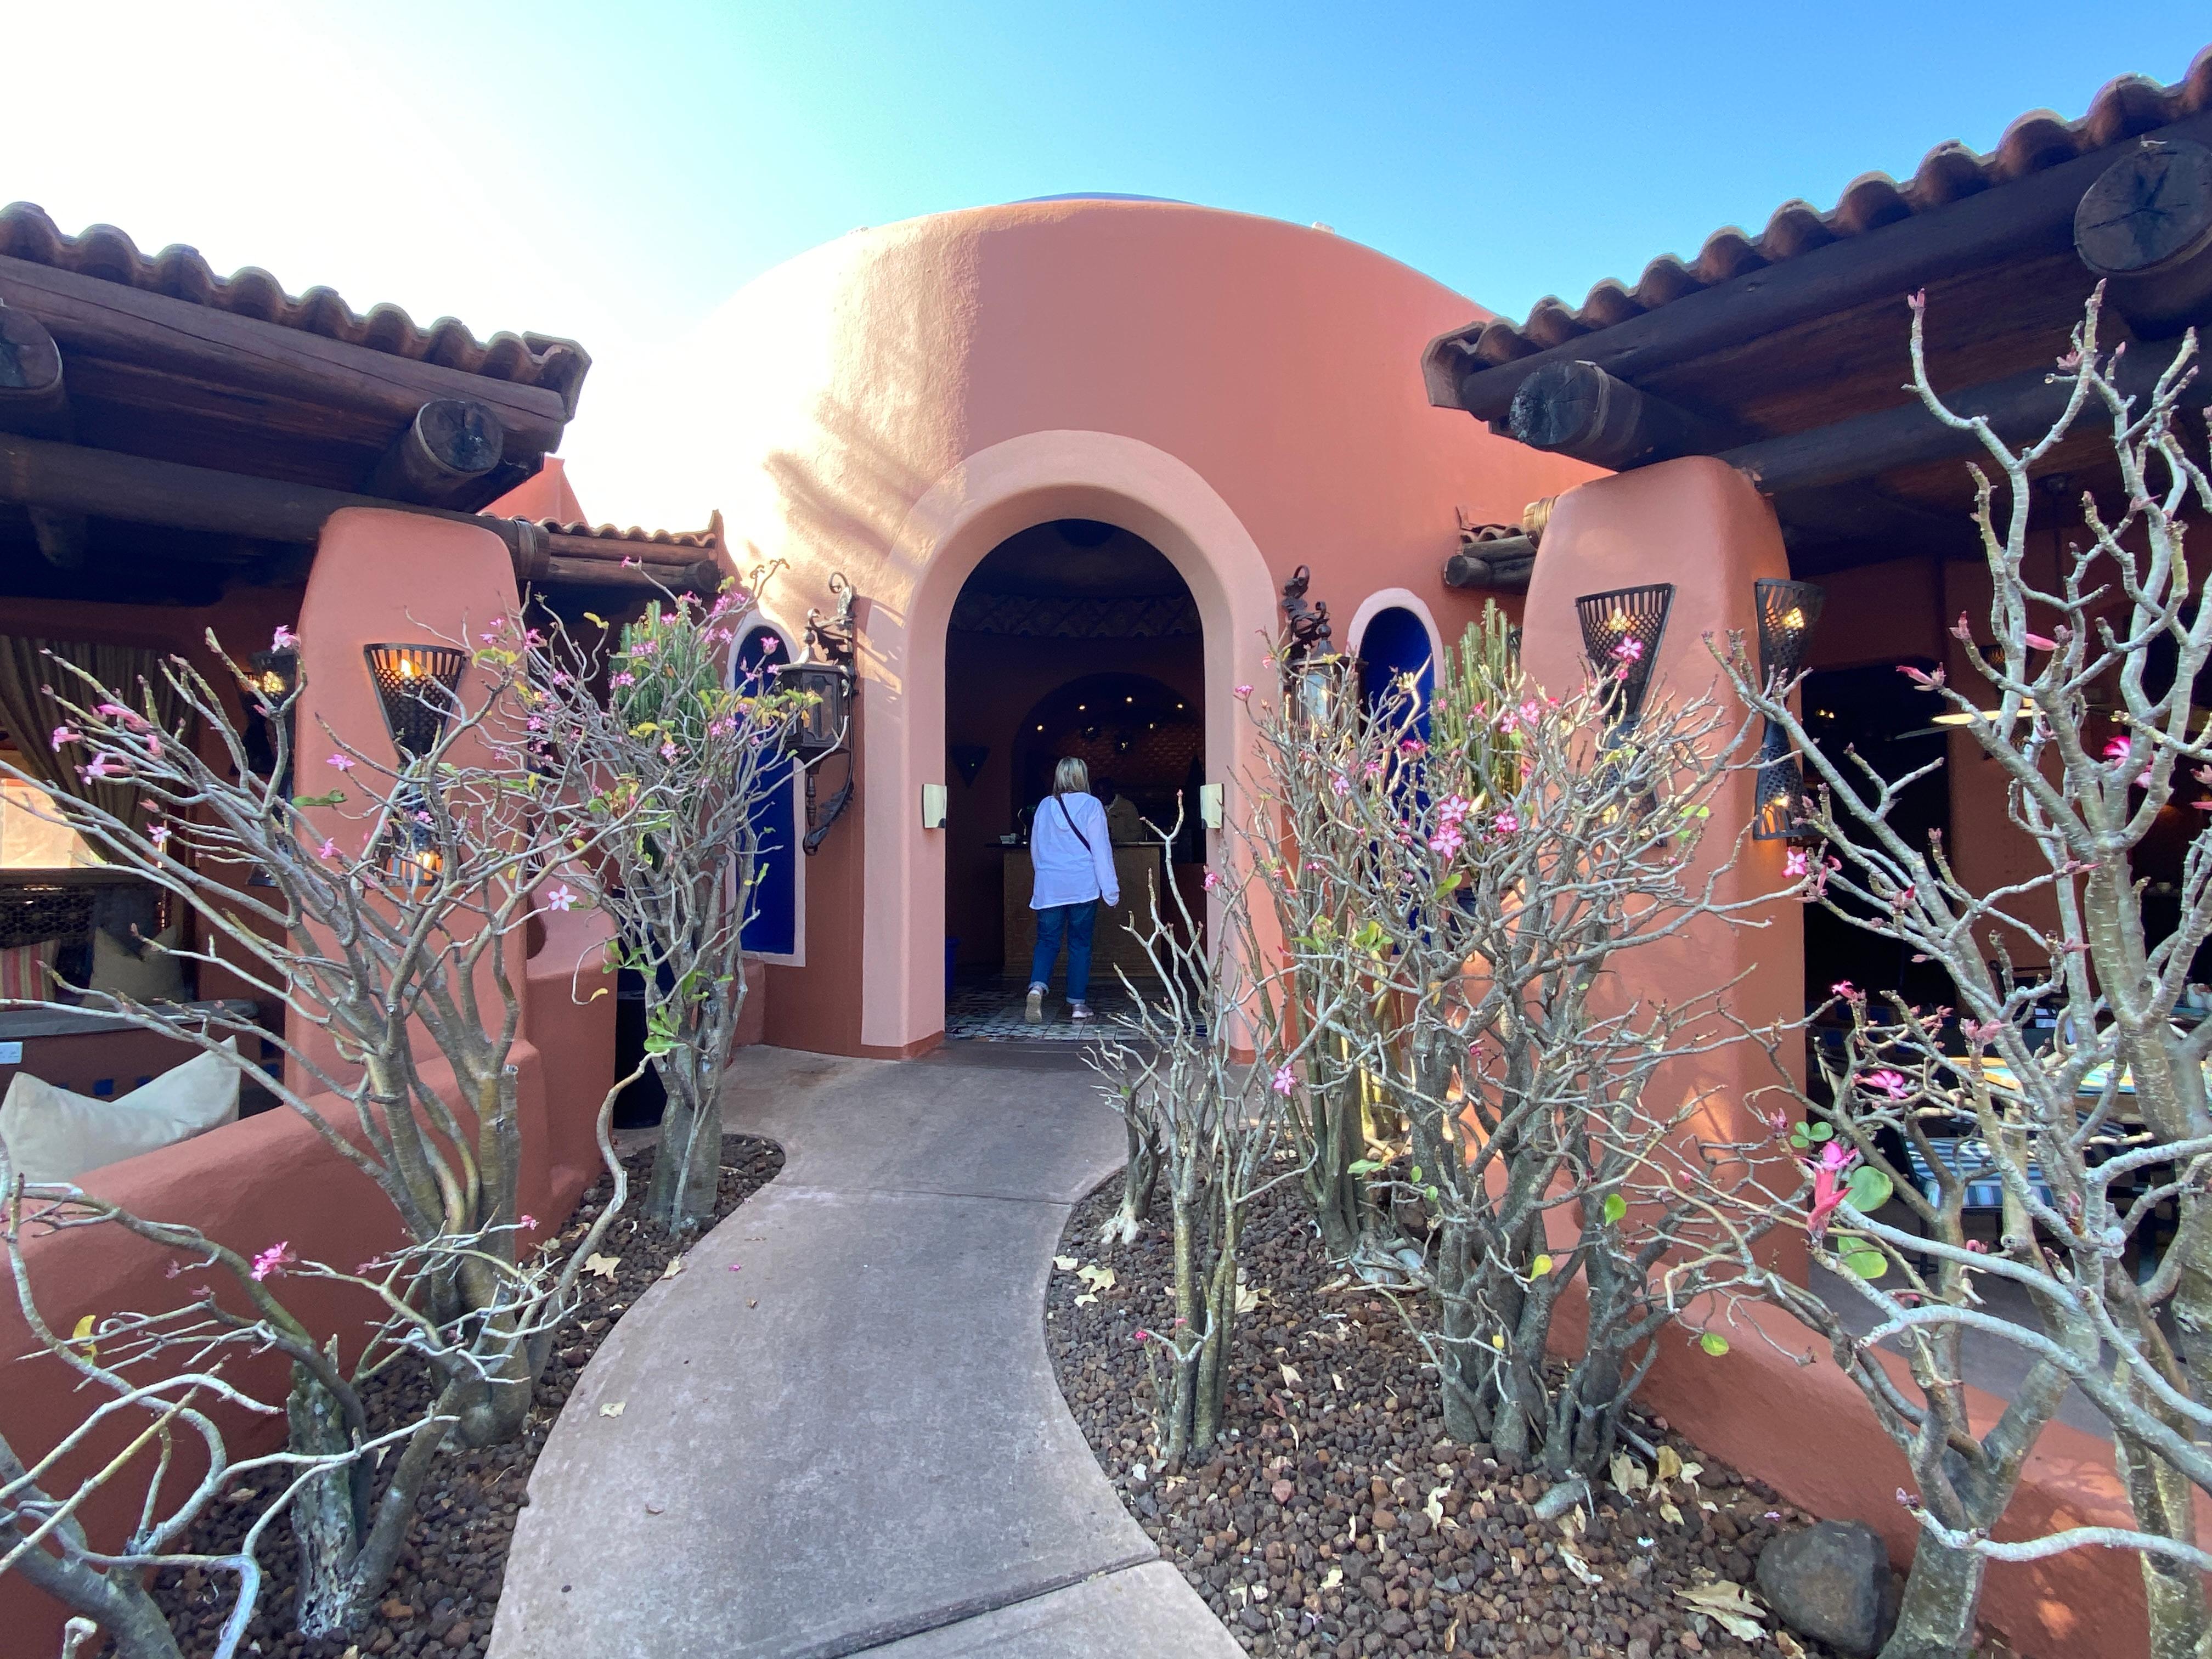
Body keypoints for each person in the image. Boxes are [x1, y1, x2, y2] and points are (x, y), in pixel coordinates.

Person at [1026, 756, 1119, 1023]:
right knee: (1080, 944)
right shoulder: (1092, 805)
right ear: (1083, 776)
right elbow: (1101, 850)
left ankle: (1037, 987)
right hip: (1082, 886)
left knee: (1047, 941)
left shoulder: (1044, 806)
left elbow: (1036, 848)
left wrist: (1043, 875)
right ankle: (1078, 1005)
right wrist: (1110, 891)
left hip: (1049, 888)